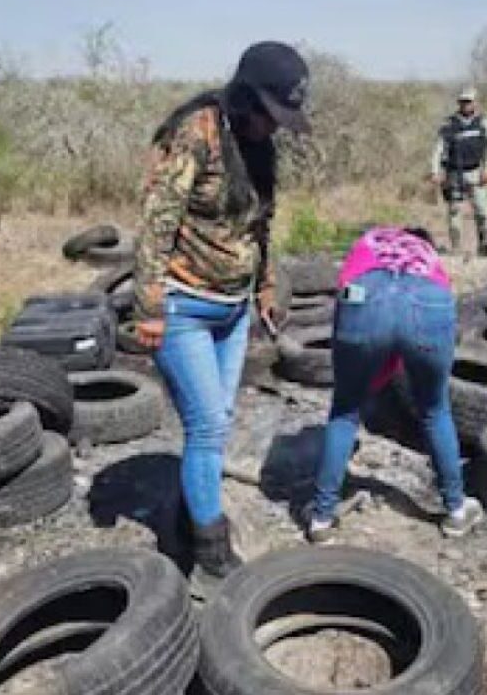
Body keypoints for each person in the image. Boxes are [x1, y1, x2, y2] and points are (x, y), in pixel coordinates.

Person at [133, 42, 310, 587]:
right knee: (208, 425)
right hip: (184, 306)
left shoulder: (261, 148)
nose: (272, 127)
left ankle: (186, 515)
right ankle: (210, 547)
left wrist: (266, 287)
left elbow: (263, 224)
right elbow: (157, 221)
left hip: (233, 310)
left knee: (216, 423)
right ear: (244, 97)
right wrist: (150, 308)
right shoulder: (197, 133)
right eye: (268, 114)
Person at [306, 226, 484, 542]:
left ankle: (321, 517)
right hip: (430, 300)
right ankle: (456, 510)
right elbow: (417, 326)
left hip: (363, 296)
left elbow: (345, 305)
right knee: (435, 410)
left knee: (345, 411)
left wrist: (364, 381)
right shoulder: (429, 257)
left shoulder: (366, 243)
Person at [429, 87, 487, 254]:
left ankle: (484, 248)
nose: (465, 104)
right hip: (454, 174)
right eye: (462, 101)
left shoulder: (483, 123)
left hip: (476, 173)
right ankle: (456, 249)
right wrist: (435, 171)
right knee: (454, 213)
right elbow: (438, 150)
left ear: (475, 102)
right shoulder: (449, 124)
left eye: (468, 101)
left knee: (482, 212)